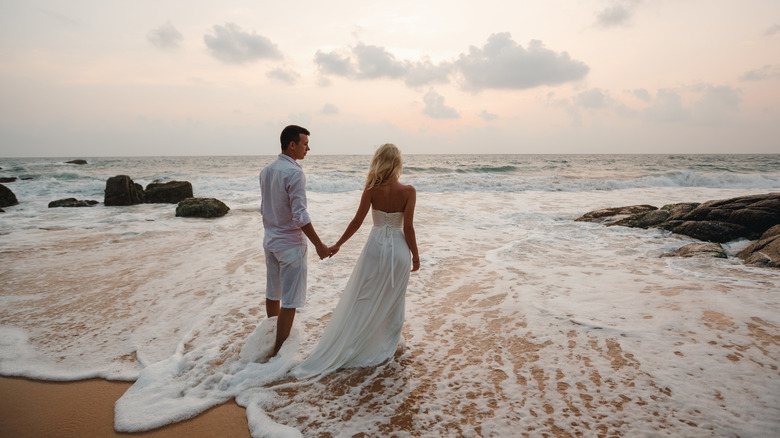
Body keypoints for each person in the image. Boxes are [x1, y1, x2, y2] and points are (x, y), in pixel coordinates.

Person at [293, 143, 420, 378]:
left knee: (365, 297)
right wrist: (416, 255)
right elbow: (409, 228)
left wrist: (338, 244)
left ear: (378, 161)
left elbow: (356, 222)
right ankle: (385, 347)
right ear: (397, 164)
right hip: (399, 251)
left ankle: (359, 342)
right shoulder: (409, 191)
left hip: (375, 248)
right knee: (394, 300)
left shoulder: (371, 189)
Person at [260, 125, 330, 357]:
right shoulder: (294, 173)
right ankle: (277, 353)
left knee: (273, 294)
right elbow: (300, 215)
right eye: (305, 144)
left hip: (271, 242)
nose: (308, 148)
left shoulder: (267, 171)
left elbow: (265, 208)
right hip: (290, 245)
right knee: (289, 301)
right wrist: (319, 244)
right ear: (292, 145)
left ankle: (270, 340)